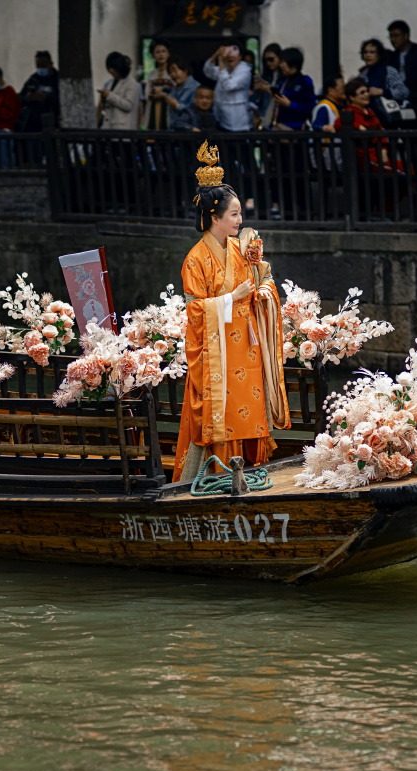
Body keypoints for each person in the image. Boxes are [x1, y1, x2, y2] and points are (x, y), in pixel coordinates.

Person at [172, 142, 289, 483]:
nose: (240, 220)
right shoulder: (195, 259)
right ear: (215, 217)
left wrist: (262, 293)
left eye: (239, 214)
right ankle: (217, 473)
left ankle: (250, 469)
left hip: (247, 345)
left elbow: (265, 279)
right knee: (222, 411)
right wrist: (230, 298)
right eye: (234, 214)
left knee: (249, 405)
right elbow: (194, 310)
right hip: (218, 349)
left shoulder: (243, 250)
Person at [387, 20, 417, 115]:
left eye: (396, 36)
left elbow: (416, 75)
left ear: (406, 36)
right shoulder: (393, 56)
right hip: (404, 99)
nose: (393, 39)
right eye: (391, 36)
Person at [203, 42, 253, 131]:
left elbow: (229, 86)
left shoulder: (245, 71)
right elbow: (208, 71)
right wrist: (216, 55)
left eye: (234, 52)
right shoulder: (223, 68)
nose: (230, 56)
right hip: (221, 119)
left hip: (238, 123)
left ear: (240, 56)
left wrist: (221, 61)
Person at [358, 37, 409, 123]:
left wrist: (382, 92)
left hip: (389, 118)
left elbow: (404, 91)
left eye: (372, 52)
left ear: (379, 54)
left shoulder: (389, 71)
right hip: (370, 119)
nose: (368, 55)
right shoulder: (363, 75)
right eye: (365, 52)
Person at [269, 47, 316, 130]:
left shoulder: (305, 81)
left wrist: (290, 104)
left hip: (297, 129)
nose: (280, 65)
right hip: (280, 126)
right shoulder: (283, 81)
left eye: (283, 62)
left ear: (293, 65)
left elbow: (310, 107)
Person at [97, 51, 141, 129]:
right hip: (109, 126)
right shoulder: (110, 82)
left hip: (123, 127)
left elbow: (128, 105)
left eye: (113, 68)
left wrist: (109, 95)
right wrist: (104, 99)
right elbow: (107, 107)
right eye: (109, 68)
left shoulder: (131, 83)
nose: (110, 70)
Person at [18, 51, 60, 132]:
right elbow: (20, 98)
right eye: (38, 66)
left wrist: (46, 97)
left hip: (52, 123)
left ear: (51, 64)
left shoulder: (57, 79)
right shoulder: (33, 79)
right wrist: (28, 98)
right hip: (32, 123)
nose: (41, 69)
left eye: (43, 65)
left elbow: (62, 102)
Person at [143, 39, 174, 130]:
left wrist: (164, 95)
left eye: (163, 51)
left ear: (168, 54)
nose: (161, 55)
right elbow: (146, 95)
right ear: (153, 55)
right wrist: (152, 95)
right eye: (157, 52)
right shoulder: (151, 75)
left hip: (168, 110)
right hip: (153, 111)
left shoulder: (173, 73)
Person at [162, 57, 200, 130]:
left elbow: (195, 112)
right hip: (173, 130)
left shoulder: (196, 87)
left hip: (188, 131)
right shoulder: (174, 89)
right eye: (170, 72)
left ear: (185, 70)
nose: (173, 74)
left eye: (175, 70)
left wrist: (177, 106)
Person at [252, 43, 284, 125]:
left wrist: (269, 89)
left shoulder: (285, 77)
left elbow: (284, 98)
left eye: (271, 59)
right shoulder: (265, 77)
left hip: (280, 120)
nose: (268, 63)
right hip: (265, 119)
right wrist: (257, 90)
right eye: (265, 60)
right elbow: (256, 102)